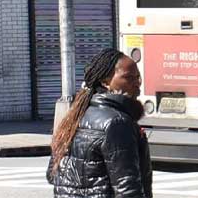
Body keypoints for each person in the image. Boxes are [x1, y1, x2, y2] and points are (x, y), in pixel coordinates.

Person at [48, 48, 152, 198]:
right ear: (105, 81)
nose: (137, 83)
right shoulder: (117, 122)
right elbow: (128, 189)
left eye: (138, 77)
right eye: (129, 78)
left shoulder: (76, 114)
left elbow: (52, 175)